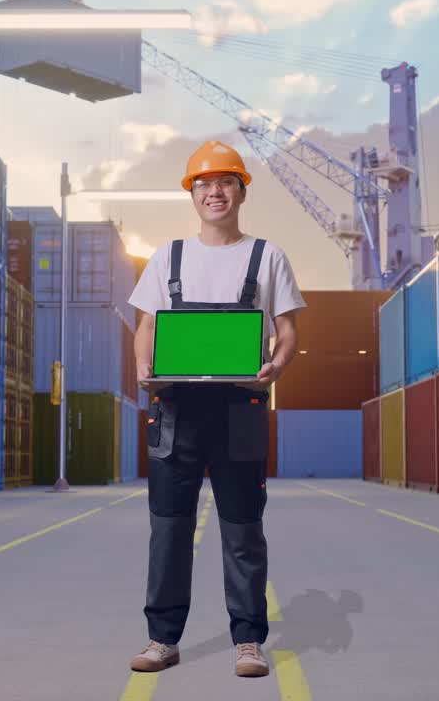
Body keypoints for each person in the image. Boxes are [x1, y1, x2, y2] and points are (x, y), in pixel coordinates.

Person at [126, 140, 306, 678]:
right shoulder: (169, 256)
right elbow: (148, 327)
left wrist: (275, 365)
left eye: (225, 181)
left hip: (240, 408)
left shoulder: (267, 256)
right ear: (192, 193)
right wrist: (142, 368)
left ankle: (248, 642)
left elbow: (289, 329)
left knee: (243, 528)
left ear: (241, 191)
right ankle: (162, 640)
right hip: (176, 409)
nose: (214, 191)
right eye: (204, 183)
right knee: (169, 528)